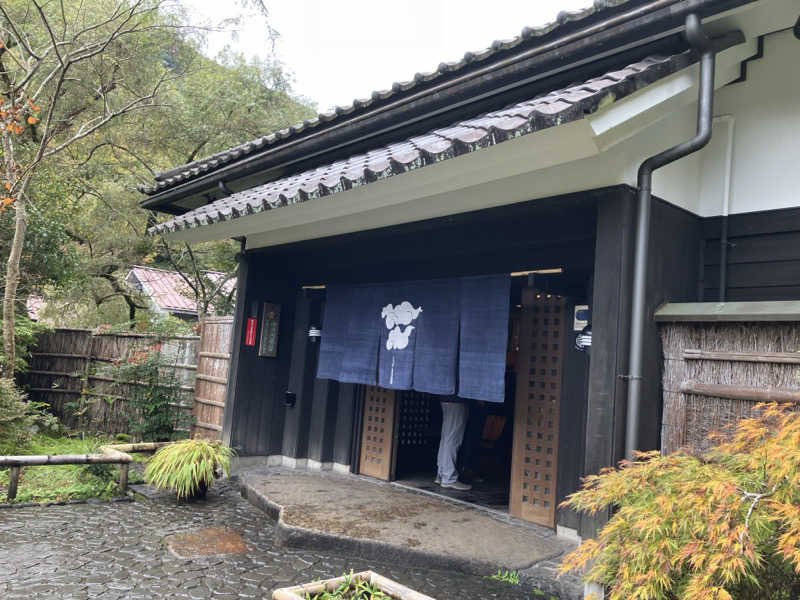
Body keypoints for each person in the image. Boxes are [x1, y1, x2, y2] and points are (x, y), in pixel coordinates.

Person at [436, 396, 471, 490]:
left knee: (446, 437)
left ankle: (441, 474)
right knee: (453, 439)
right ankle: (449, 478)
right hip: (457, 400)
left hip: (446, 398)